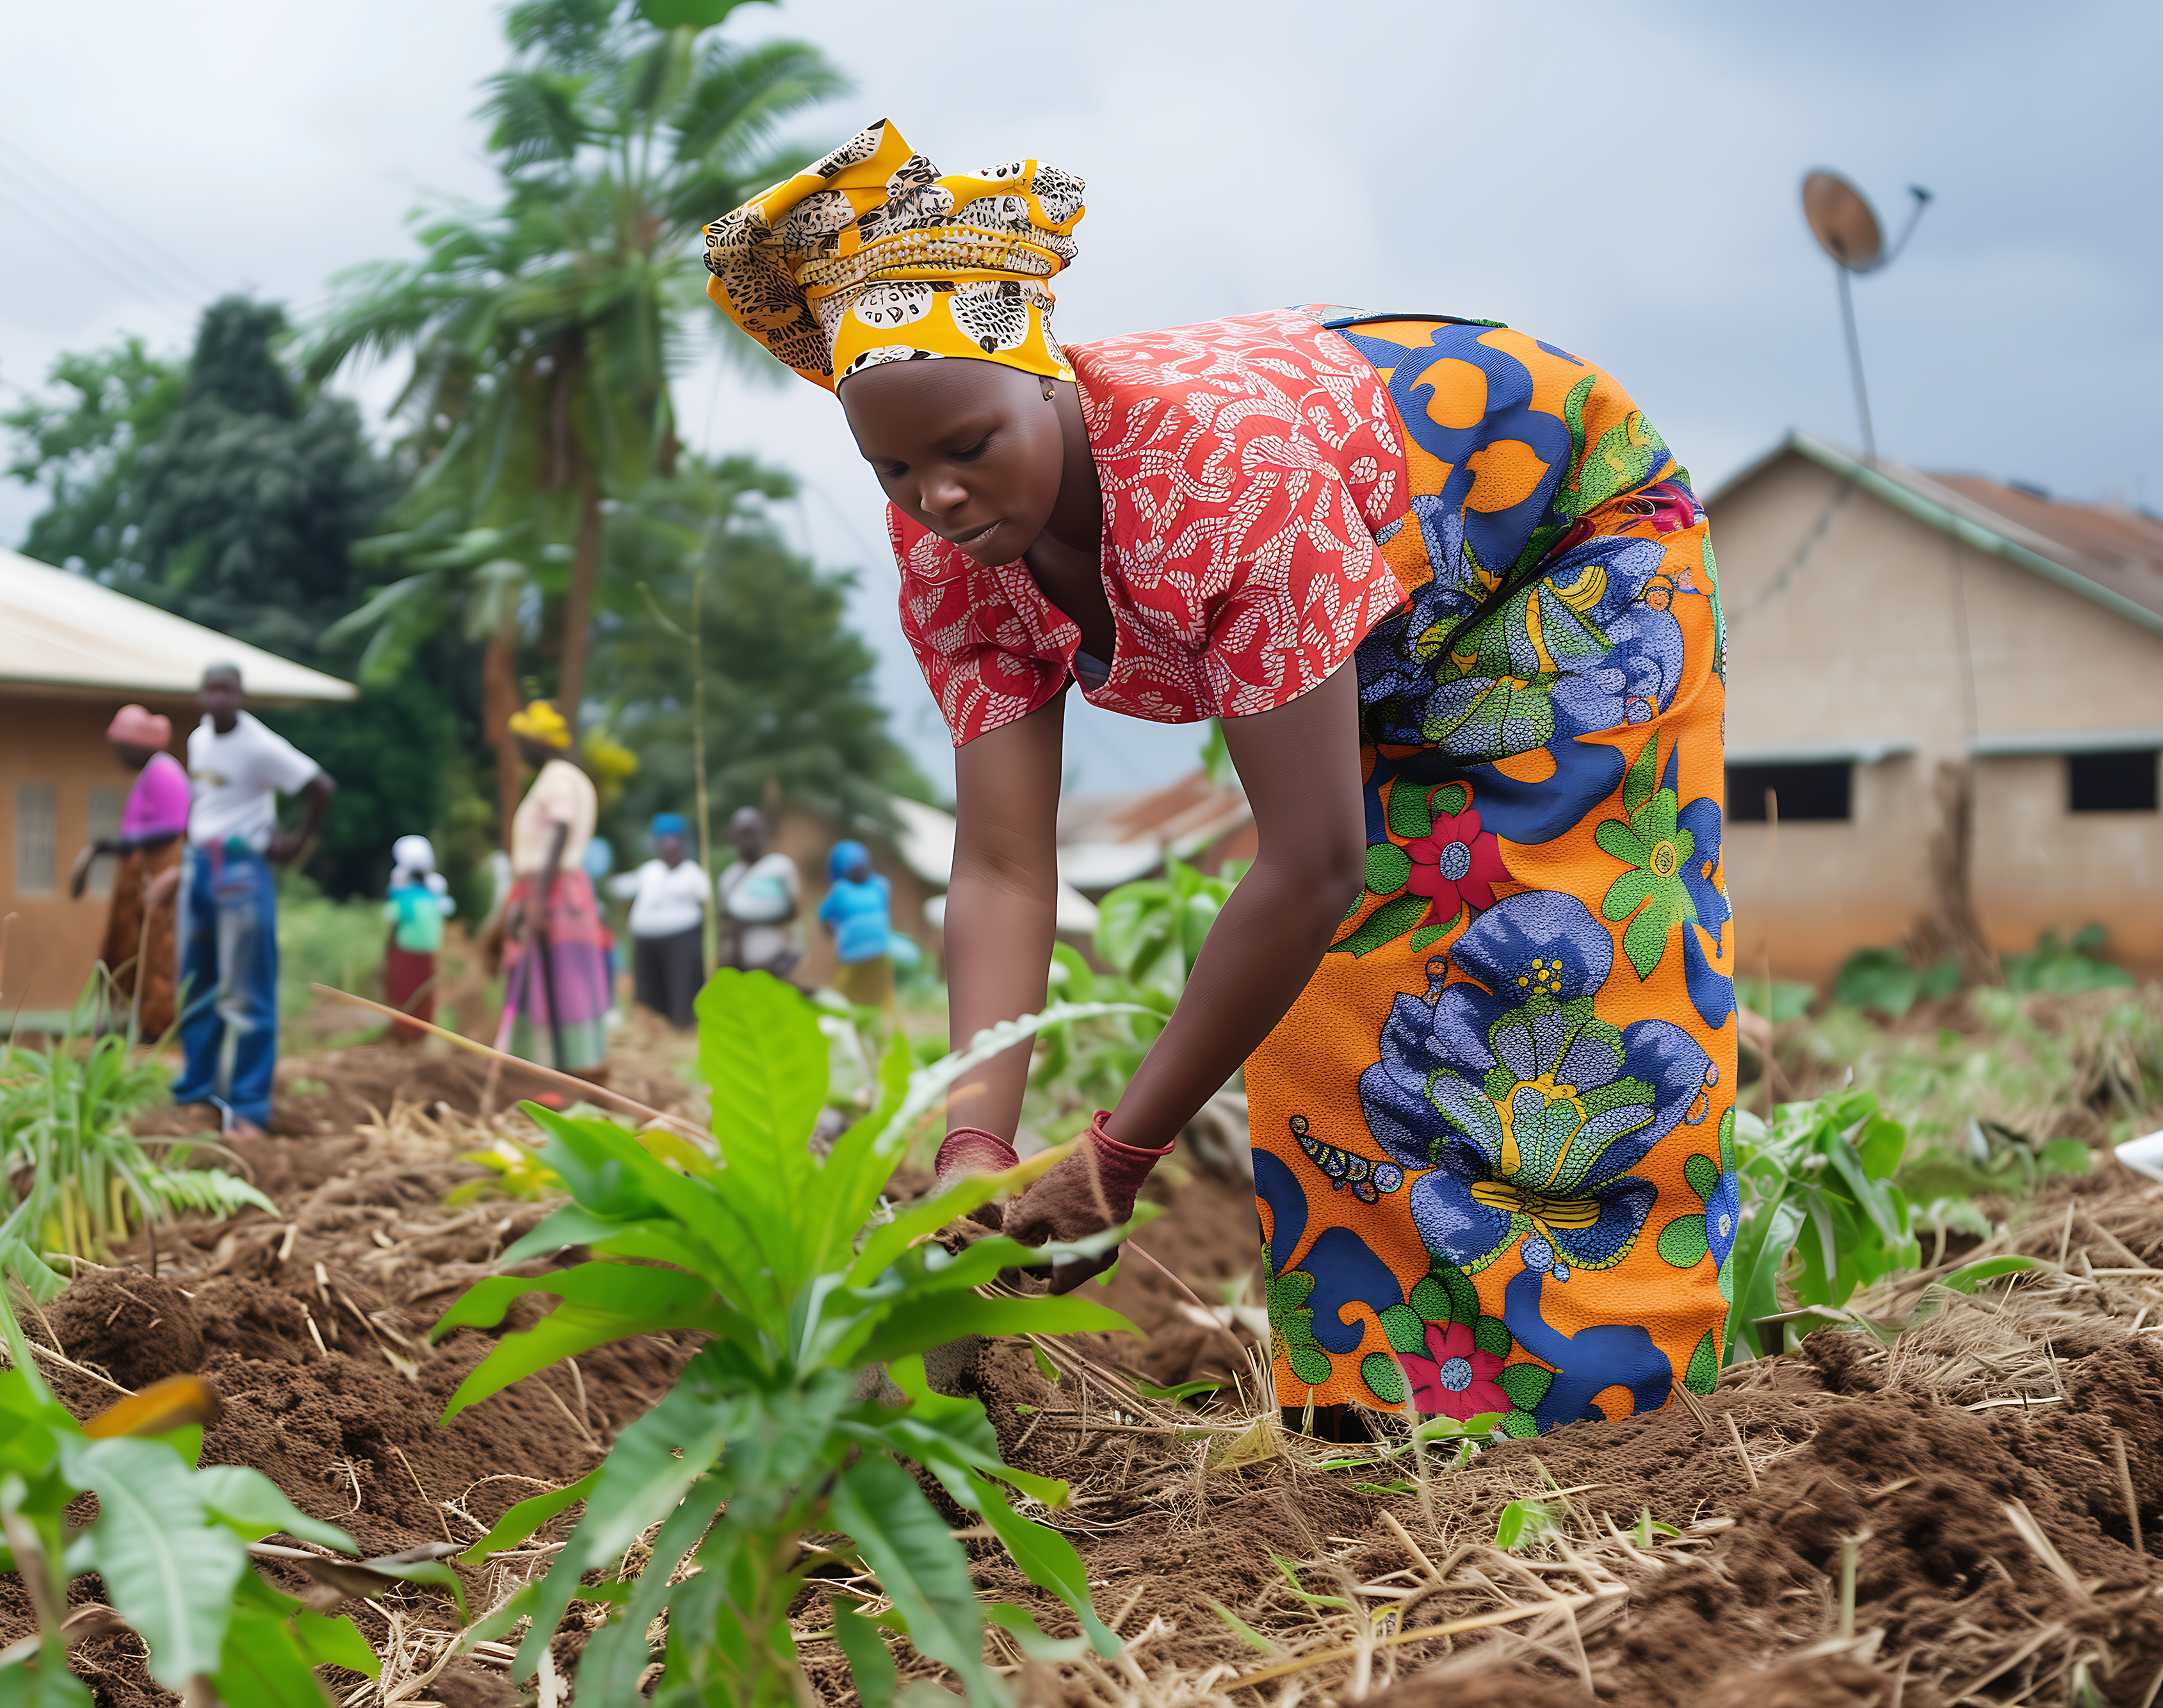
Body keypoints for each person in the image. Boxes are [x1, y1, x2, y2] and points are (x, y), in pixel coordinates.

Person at [706, 121, 1735, 1439]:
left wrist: (1116, 1155)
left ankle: (1621, 1414)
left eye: (965, 444)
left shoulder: (1212, 485)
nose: (938, 497)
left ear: (1045, 380)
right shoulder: (951, 556)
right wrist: (977, 1146)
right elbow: (1004, 863)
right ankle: (1384, 1413)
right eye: (891, 473)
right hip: (1377, 584)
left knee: (1554, 958)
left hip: (1559, 541)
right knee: (1324, 1011)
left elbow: (1310, 863)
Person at [171, 663, 334, 1137]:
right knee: (196, 986)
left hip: (241, 868)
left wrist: (297, 845)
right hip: (200, 863)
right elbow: (209, 802)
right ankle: (197, 1093)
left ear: (241, 696)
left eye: (227, 691)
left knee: (246, 992)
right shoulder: (199, 738)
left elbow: (320, 787)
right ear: (201, 696)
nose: (217, 699)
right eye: (210, 690)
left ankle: (248, 1108)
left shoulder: (260, 745)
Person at [494, 701, 611, 1084]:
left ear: (536, 744)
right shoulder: (560, 776)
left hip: (554, 889)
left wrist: (538, 898)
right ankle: (552, 1070)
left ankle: (565, 1074)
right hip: (552, 886)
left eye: (521, 744)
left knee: (560, 981)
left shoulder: (557, 779)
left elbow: (560, 829)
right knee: (550, 978)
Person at [71, 704, 189, 1041]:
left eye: (122, 747)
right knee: (127, 951)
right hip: (138, 872)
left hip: (159, 874)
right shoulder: (149, 773)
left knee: (156, 951)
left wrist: (120, 843)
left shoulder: (164, 770)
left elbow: (174, 825)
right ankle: (125, 1027)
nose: (119, 754)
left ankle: (157, 1029)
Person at [615, 814, 711, 1029]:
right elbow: (625, 886)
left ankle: (681, 1029)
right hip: (647, 942)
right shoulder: (651, 871)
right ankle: (653, 1030)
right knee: (649, 995)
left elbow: (705, 896)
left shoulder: (692, 873)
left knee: (681, 990)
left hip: (681, 940)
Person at [383, 834, 455, 1041]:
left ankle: (405, 1033)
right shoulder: (434, 896)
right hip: (428, 952)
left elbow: (393, 922)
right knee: (423, 994)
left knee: (403, 991)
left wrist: (387, 951)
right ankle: (419, 1035)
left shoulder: (403, 895)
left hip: (406, 950)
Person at [718, 806, 802, 981]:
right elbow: (728, 930)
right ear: (733, 837)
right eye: (743, 833)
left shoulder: (780, 867)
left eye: (753, 832)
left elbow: (796, 912)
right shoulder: (729, 878)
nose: (749, 839)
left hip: (782, 965)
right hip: (745, 970)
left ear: (765, 833)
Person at [816, 841, 896, 1021]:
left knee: (843, 1004)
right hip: (879, 956)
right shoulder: (881, 885)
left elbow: (824, 919)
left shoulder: (840, 891)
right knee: (881, 1004)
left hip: (853, 959)